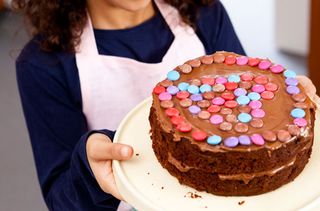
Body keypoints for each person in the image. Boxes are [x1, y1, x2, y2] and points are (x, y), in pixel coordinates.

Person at [13, 0, 318, 210]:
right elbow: (61, 199)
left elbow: (246, 105)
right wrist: (88, 171)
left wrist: (284, 98)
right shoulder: (44, 64)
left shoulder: (204, 15)